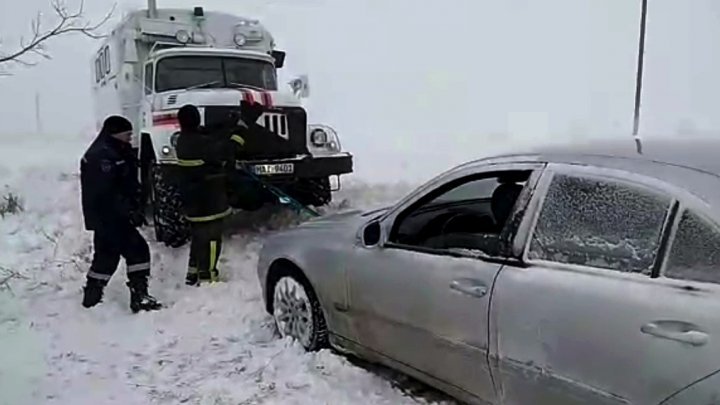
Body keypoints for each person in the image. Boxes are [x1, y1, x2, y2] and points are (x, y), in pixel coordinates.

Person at [175, 102, 265, 286]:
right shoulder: (201, 143)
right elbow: (229, 149)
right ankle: (209, 276)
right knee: (212, 238)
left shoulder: (183, 140)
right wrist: (242, 126)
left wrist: (227, 124)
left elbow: (207, 135)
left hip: (193, 199)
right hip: (208, 199)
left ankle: (193, 275)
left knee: (198, 237)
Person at [79, 115, 162, 313]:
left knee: (106, 257)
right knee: (138, 251)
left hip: (107, 217)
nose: (130, 138)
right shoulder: (103, 157)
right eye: (127, 134)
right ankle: (139, 297)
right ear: (116, 134)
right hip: (111, 217)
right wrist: (129, 211)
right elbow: (107, 192)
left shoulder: (113, 150)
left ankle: (91, 298)